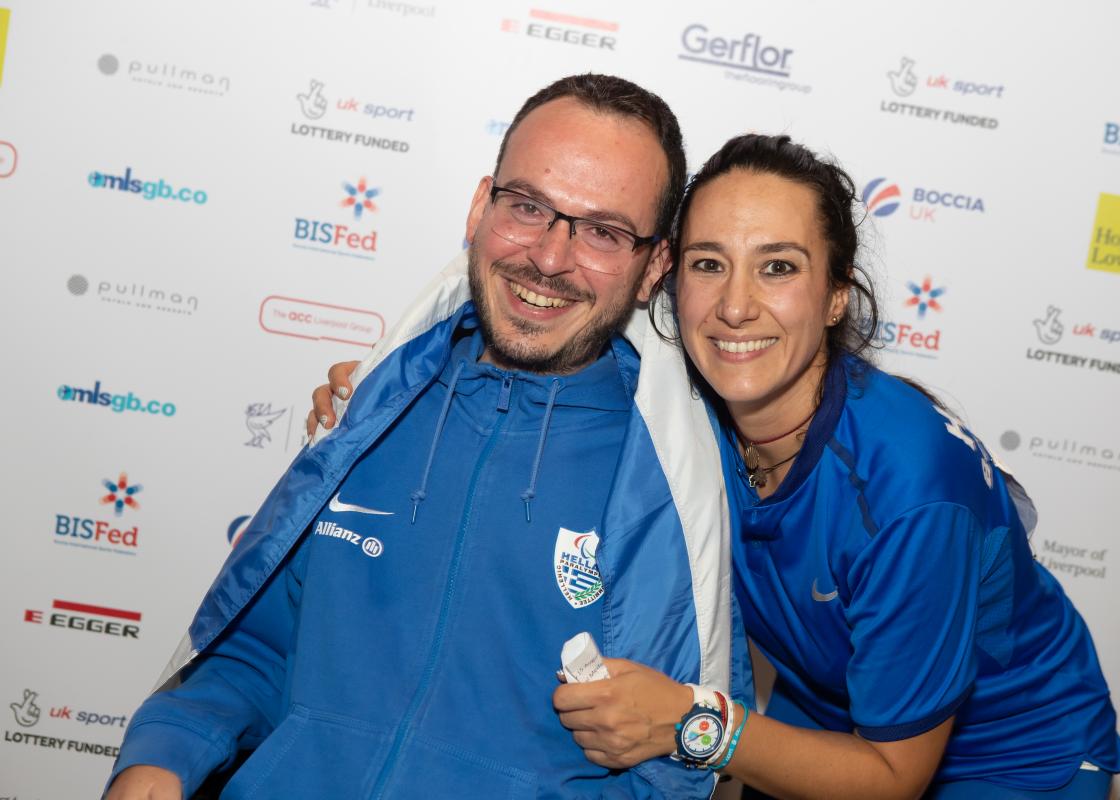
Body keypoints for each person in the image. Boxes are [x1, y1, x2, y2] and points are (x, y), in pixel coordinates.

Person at [312, 135, 1120, 799]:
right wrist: (387, 395)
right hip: (825, 710)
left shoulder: (906, 490)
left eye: (778, 266)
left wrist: (689, 722)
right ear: (667, 277)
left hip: (1008, 761)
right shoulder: (689, 395)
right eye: (709, 263)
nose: (736, 305)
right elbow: (532, 375)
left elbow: (892, 779)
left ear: (838, 292)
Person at [104, 74, 749, 800]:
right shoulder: (371, 408)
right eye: (528, 206)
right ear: (481, 207)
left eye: (602, 231)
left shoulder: (669, 486)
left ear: (652, 268)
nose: (547, 257)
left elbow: (664, 778)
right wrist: (163, 756)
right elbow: (253, 652)